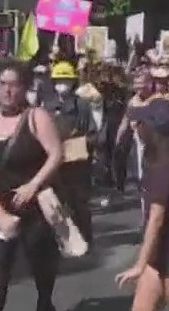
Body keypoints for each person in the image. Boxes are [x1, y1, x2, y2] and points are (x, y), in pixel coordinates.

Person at [0, 63, 63, 311]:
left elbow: (56, 154)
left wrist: (33, 185)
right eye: (3, 84)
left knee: (40, 261)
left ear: (24, 88)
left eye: (14, 85)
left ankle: (45, 302)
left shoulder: (36, 117)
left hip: (33, 205)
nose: (7, 91)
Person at [115, 98, 169, 311]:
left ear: (152, 129)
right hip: (158, 250)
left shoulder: (164, 167)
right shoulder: (158, 161)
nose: (137, 128)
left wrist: (139, 265)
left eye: (141, 123)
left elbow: (156, 218)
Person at [43, 61, 96, 249]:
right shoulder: (47, 105)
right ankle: (62, 241)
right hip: (55, 162)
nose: (62, 83)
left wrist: (80, 142)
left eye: (66, 79)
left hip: (78, 163)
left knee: (79, 202)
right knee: (57, 203)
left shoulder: (82, 104)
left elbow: (92, 133)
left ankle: (86, 239)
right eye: (59, 80)